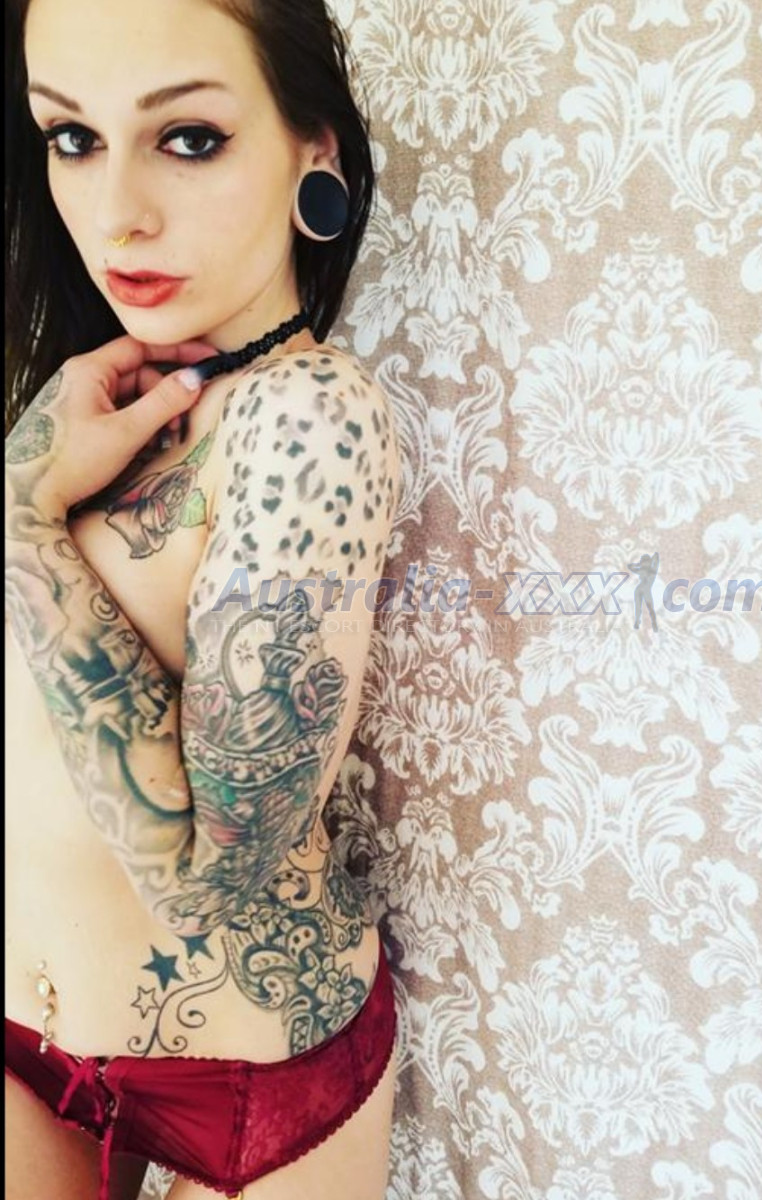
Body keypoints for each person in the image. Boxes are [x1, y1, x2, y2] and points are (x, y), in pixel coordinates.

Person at [4, 0, 401, 1197]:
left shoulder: (313, 418)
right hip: (24, 1032)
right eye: (73, 138)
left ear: (311, 150)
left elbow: (203, 880)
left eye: (187, 138)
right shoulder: (82, 394)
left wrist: (23, 522)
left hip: (246, 1082)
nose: (115, 211)